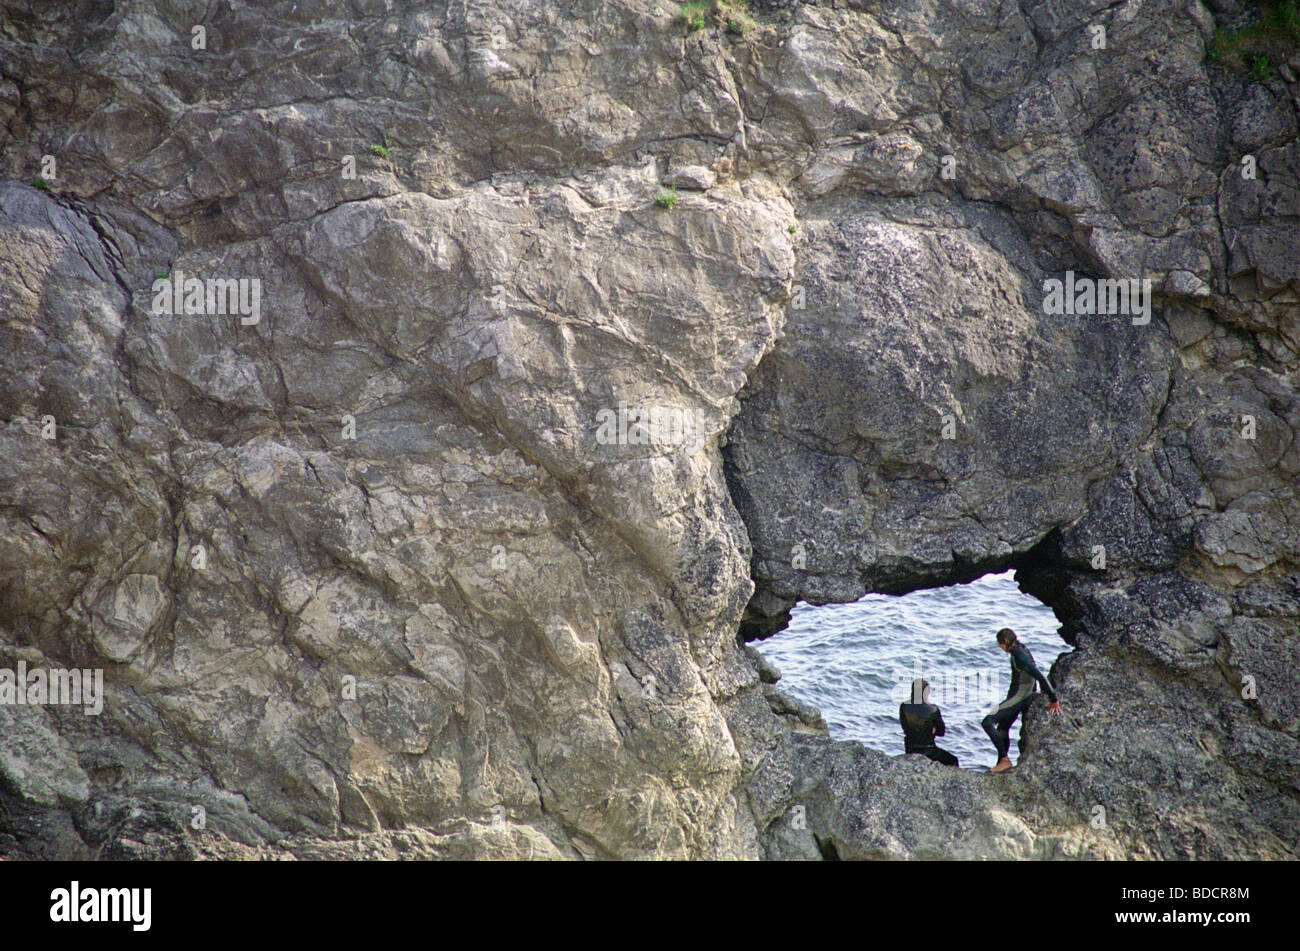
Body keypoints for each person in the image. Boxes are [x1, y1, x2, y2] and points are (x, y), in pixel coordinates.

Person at [982, 627, 1061, 772]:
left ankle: (1005, 760)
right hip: (1018, 694)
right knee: (1003, 727)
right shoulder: (1018, 648)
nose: (1000, 647)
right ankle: (1002, 763)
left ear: (1004, 643)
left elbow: (1039, 675)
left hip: (1020, 697)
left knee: (987, 722)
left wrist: (1053, 698)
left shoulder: (1019, 656)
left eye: (1000, 644)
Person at [899, 678, 959, 767]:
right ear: (925, 693)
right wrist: (932, 729)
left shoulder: (903, 706)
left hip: (910, 748)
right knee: (953, 760)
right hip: (928, 750)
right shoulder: (933, 710)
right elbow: (941, 732)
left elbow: (904, 726)